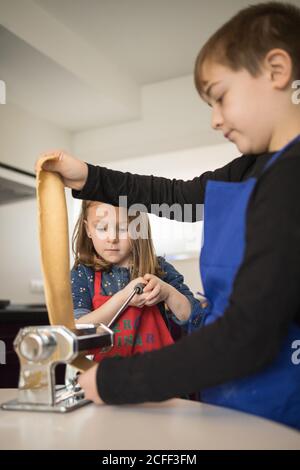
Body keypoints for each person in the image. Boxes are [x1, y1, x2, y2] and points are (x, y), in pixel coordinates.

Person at [38, 2, 300, 429]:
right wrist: (89, 176)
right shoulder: (251, 167)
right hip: (234, 402)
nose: (215, 120)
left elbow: (247, 334)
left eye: (219, 97)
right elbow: (173, 195)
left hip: (283, 406)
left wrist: (117, 380)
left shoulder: (291, 177)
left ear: (276, 69)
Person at [71, 199, 201, 361]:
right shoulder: (83, 273)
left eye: (123, 228)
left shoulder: (159, 267)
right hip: (105, 378)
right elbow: (79, 331)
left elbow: (195, 319)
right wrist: (124, 298)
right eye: (102, 228)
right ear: (88, 229)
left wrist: (167, 293)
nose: (112, 238)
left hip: (158, 374)